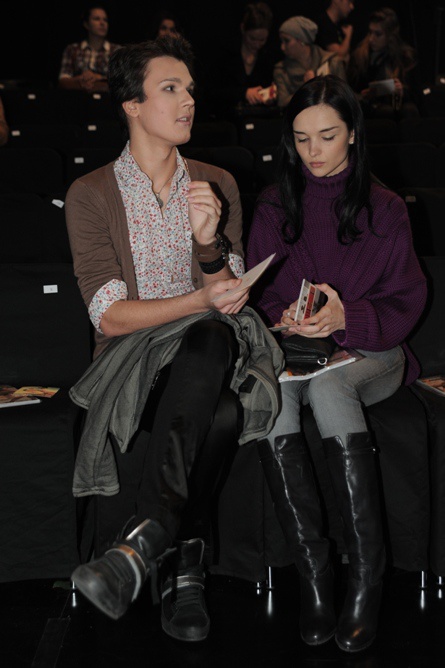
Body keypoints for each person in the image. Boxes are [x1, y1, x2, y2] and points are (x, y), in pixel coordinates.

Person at [65, 36, 282, 643]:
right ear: (132, 105)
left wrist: (208, 243)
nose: (188, 100)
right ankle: (182, 560)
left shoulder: (216, 182)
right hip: (131, 358)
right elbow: (109, 317)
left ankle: (143, 546)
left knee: (211, 334)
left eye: (189, 88)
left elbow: (230, 296)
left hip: (209, 349)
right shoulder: (91, 193)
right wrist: (199, 301)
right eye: (170, 89)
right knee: (222, 410)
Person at [246, 74, 427, 652]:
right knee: (273, 396)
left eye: (327, 136)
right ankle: (315, 576)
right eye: (301, 139)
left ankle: (366, 580)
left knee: (328, 391)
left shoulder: (386, 208)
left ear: (352, 133)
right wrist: (284, 318)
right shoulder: (274, 204)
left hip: (374, 350)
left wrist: (348, 317)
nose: (314, 151)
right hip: (301, 351)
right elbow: (260, 293)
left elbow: (406, 303)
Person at [206, 2, 279, 118]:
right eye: (252, 38)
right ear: (242, 28)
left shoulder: (268, 58)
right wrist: (244, 93)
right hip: (226, 120)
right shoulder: (225, 54)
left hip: (258, 120)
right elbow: (211, 92)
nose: (257, 44)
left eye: (262, 40)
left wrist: (270, 96)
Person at [347, 7, 422, 119]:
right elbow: (353, 87)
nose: (371, 39)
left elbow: (417, 94)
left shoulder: (405, 57)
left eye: (378, 34)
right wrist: (366, 94)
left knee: (409, 110)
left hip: (398, 106)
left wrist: (402, 91)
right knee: (386, 112)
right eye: (370, 32)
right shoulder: (360, 56)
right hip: (371, 108)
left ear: (390, 35)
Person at [274, 16, 347, 109]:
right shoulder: (281, 70)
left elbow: (344, 97)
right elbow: (282, 103)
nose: (282, 47)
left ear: (301, 40)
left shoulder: (331, 62)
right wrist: (307, 88)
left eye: (287, 41)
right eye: (281, 41)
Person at [58, 4, 121, 92]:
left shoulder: (117, 51)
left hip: (107, 99)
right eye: (97, 19)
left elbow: (122, 83)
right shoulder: (72, 49)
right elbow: (63, 82)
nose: (102, 23)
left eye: (105, 20)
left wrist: (98, 78)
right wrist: (82, 79)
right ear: (86, 24)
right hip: (77, 98)